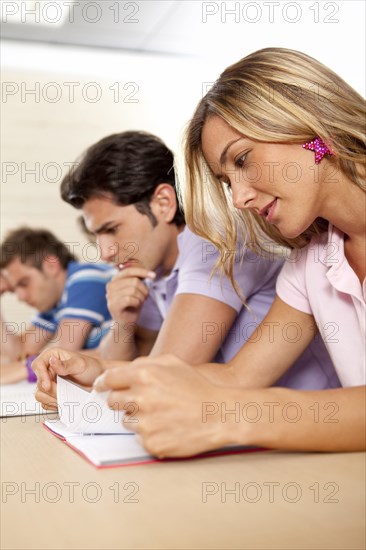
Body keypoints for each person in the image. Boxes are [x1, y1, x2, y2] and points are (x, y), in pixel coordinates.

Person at [40, 47, 364, 457]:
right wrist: (100, 371)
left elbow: (226, 393)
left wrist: (226, 415)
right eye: (227, 182)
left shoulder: (215, 249)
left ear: (312, 125)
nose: (241, 198)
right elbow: (236, 377)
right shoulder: (312, 261)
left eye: (243, 159)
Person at [32, 129, 341, 407]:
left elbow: (163, 374)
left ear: (163, 203)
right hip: (246, 427)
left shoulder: (215, 243)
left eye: (112, 229)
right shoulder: (152, 269)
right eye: (97, 235)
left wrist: (95, 374)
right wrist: (122, 324)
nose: (105, 251)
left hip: (311, 426)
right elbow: (137, 358)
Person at [0, 227, 113, 383]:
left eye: (24, 284)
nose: (21, 297)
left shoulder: (85, 278)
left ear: (51, 266)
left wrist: (24, 368)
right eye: (15, 289)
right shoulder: (55, 303)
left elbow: (61, 358)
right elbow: (18, 353)